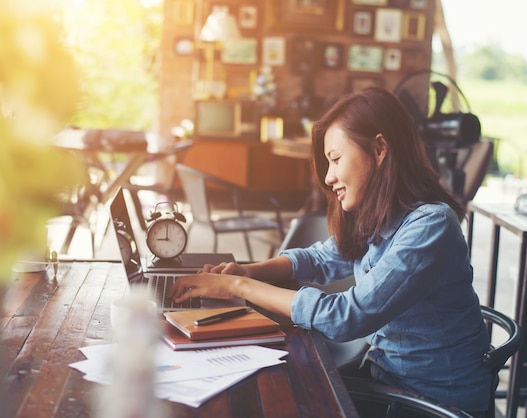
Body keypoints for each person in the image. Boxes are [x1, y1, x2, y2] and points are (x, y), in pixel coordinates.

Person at [168, 87, 492, 414]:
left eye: (336, 159)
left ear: (380, 148)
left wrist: (239, 287)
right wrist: (251, 271)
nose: (328, 176)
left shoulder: (430, 226)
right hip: (387, 377)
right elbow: (321, 258)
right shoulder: (383, 214)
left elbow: (346, 317)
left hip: (432, 401)